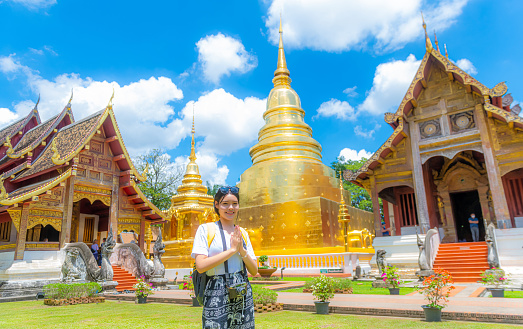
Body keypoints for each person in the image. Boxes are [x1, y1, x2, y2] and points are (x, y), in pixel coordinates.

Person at [191, 186, 257, 329]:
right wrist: (232, 250)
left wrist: (241, 250)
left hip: (241, 288)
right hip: (216, 288)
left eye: (235, 203)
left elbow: (254, 269)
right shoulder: (206, 229)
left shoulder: (243, 233)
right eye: (225, 203)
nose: (230, 208)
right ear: (217, 205)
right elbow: (201, 266)